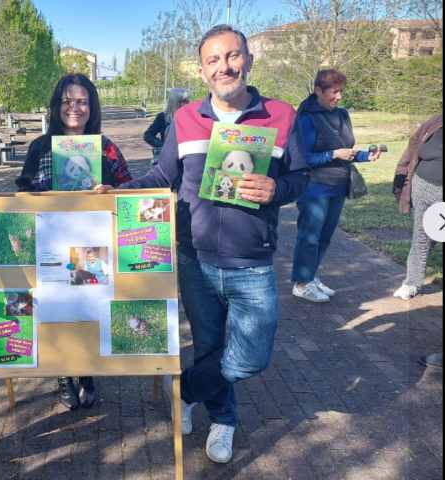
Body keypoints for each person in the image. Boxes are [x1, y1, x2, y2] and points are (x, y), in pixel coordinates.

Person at [97, 24, 308, 464]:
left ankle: (186, 389)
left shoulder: (282, 115)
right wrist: (120, 192)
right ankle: (224, 421)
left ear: (248, 60)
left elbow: (300, 178)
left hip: (252, 261)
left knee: (252, 355)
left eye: (232, 56)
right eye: (213, 60)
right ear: (202, 69)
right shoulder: (186, 118)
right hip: (195, 259)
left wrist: (277, 189)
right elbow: (162, 177)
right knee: (211, 346)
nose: (224, 66)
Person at [16, 72, 132, 411]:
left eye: (82, 101)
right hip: (51, 244)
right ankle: (64, 373)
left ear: (91, 106)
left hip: (92, 244)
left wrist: (112, 191)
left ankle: (87, 369)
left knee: (87, 305)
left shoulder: (106, 147)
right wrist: (39, 195)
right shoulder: (40, 146)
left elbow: (129, 186)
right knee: (56, 306)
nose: (74, 108)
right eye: (67, 101)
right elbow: (22, 190)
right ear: (57, 105)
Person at [290, 69, 382, 303]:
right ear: (318, 90)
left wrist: (365, 156)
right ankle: (301, 284)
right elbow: (304, 158)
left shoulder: (342, 115)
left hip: (338, 185)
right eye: (334, 91)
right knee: (309, 237)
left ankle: (311, 276)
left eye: (341, 91)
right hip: (314, 187)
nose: (339, 96)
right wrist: (333, 154)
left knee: (325, 237)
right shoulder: (306, 118)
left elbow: (346, 151)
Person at [392, 113, 442, 303]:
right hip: (422, 187)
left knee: (438, 236)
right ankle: (411, 283)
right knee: (421, 237)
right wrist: (401, 174)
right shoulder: (436, 122)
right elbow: (413, 146)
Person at [143, 88, 190, 165]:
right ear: (175, 102)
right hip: (168, 161)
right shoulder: (162, 117)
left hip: (187, 160)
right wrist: (163, 146)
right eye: (184, 101)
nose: (188, 103)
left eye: (188, 101)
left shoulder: (191, 117)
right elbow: (148, 135)